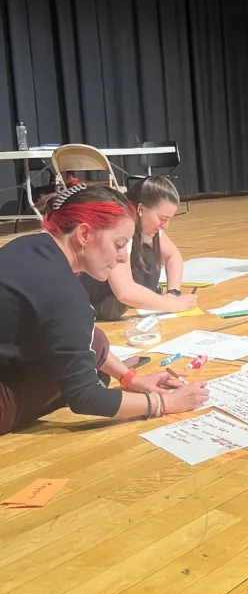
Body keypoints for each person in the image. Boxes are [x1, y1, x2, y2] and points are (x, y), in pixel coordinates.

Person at [0, 182, 208, 435]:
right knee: (77, 372)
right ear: (84, 234)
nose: (123, 257)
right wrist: (165, 403)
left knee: (94, 340)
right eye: (119, 245)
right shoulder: (64, 291)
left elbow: (85, 339)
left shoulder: (30, 245)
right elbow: (85, 397)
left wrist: (130, 378)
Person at [80, 176, 197, 321]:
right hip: (93, 292)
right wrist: (175, 305)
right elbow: (124, 290)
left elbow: (172, 255)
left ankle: (144, 296)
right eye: (162, 219)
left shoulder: (146, 225)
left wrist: (173, 292)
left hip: (120, 293)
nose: (166, 226)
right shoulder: (120, 225)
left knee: (148, 256)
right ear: (141, 209)